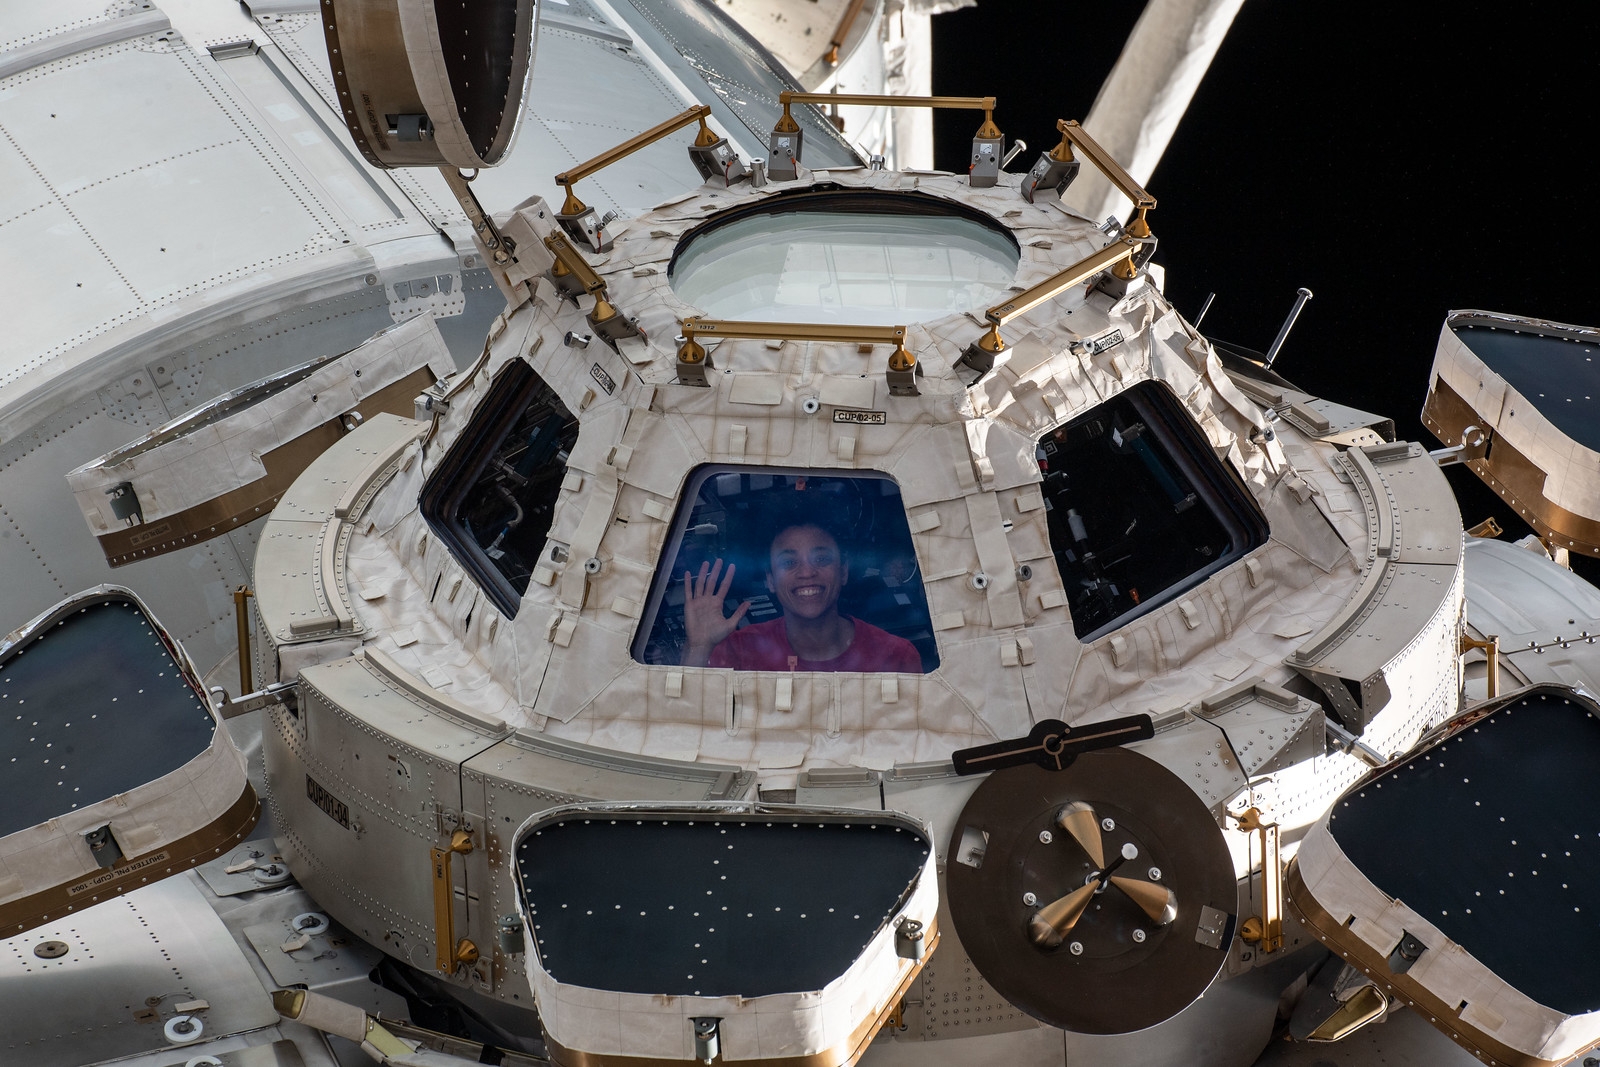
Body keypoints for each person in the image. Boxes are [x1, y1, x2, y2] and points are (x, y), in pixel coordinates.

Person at [681, 521, 922, 672]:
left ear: (843, 572)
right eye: (789, 562)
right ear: (770, 580)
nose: (807, 572)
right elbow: (690, 722)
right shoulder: (740, 650)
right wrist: (699, 647)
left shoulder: (896, 656)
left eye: (821, 559)